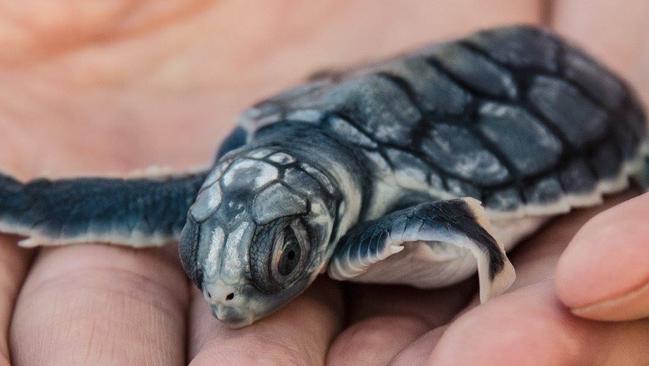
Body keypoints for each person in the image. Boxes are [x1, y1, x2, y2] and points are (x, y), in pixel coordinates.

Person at [1, 1, 648, 365]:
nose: (226, 304)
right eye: (202, 263)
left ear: (318, 229)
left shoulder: (390, 222)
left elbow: (467, 232)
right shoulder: (248, 156)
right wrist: (28, 204)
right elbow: (153, 204)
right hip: (351, 96)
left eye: (281, 258)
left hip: (557, 90)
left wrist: (482, 263)